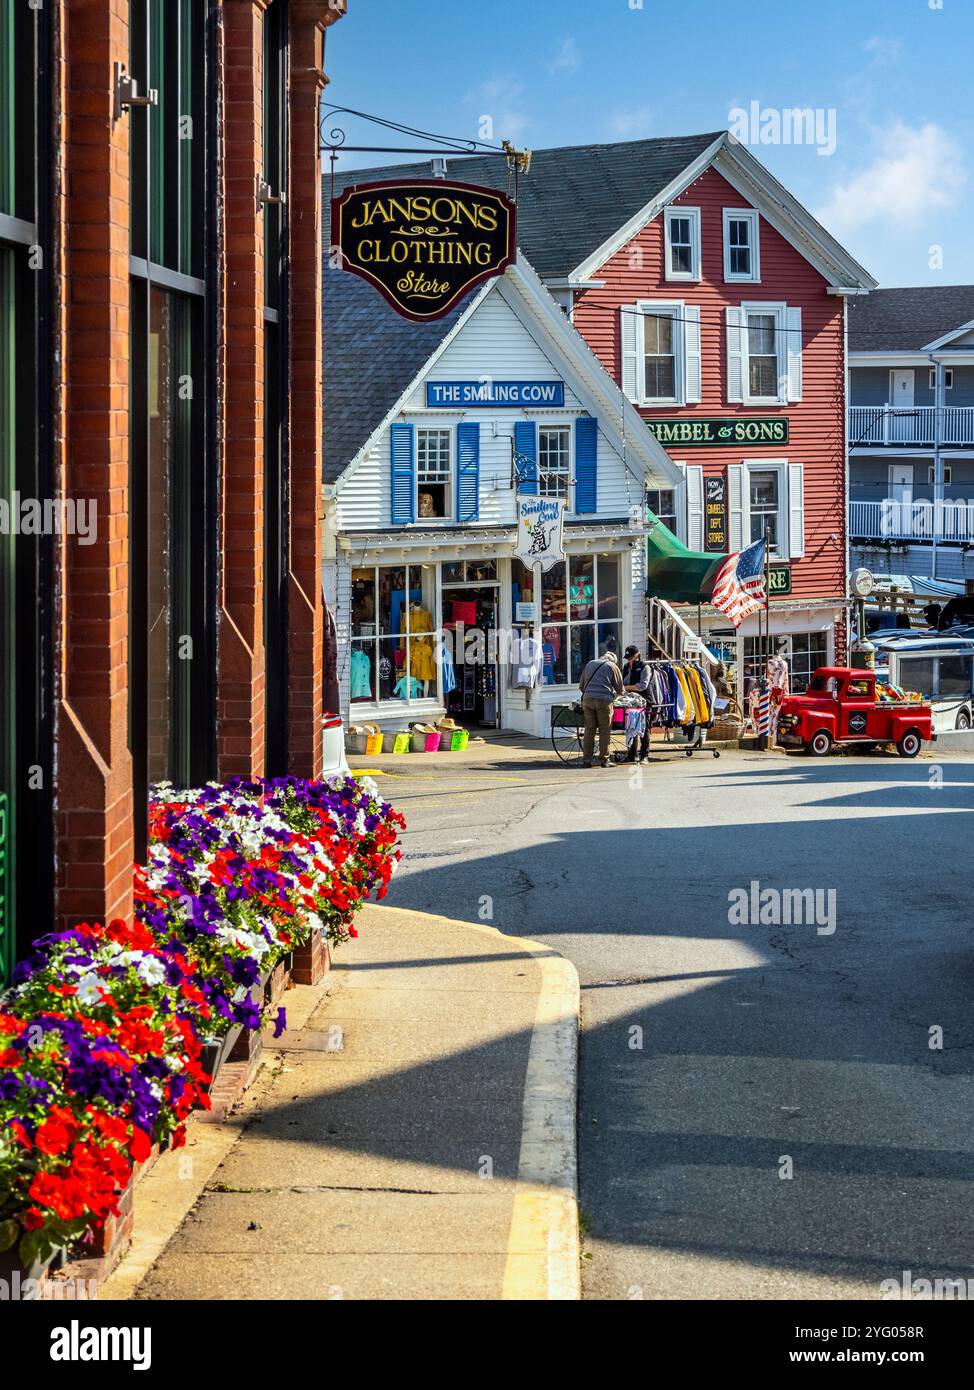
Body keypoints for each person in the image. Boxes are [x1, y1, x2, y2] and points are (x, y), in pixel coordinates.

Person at [579, 648, 623, 767]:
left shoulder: (590, 664)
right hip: (604, 701)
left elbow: (581, 686)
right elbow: (620, 689)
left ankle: (586, 760)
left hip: (587, 700)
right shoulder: (612, 666)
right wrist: (616, 695)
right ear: (613, 660)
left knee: (589, 730)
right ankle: (604, 760)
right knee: (604, 730)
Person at [621, 644, 651, 763]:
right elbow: (623, 682)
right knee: (631, 726)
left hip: (643, 700)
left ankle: (645, 755)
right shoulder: (626, 667)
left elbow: (642, 686)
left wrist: (625, 688)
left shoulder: (645, 667)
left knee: (643, 727)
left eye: (631, 657)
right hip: (630, 701)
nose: (629, 660)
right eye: (628, 658)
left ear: (637, 655)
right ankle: (632, 754)